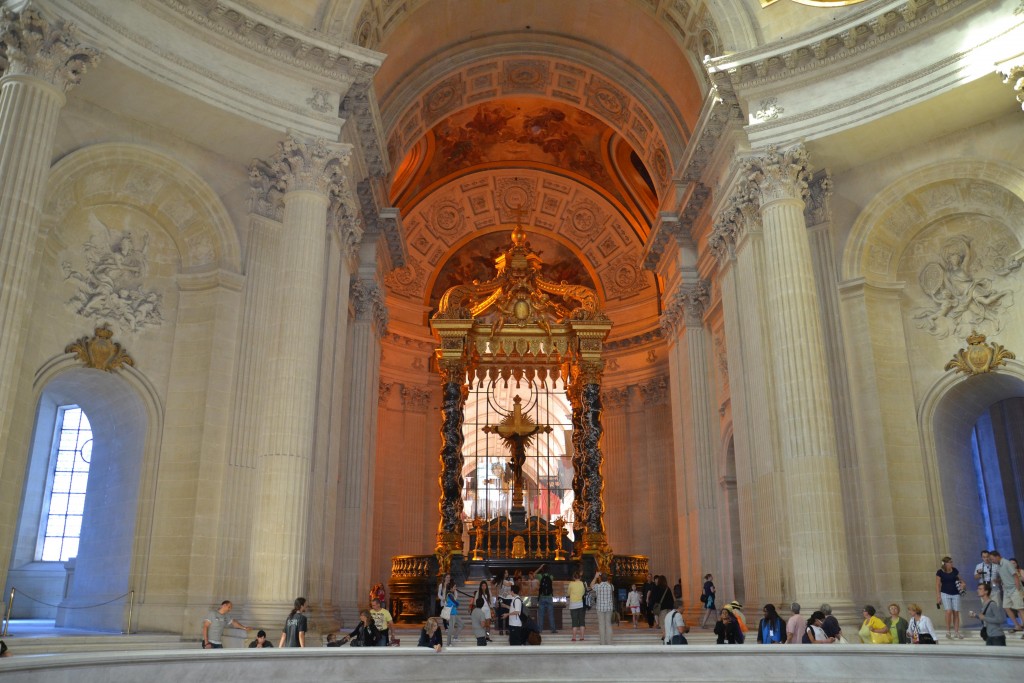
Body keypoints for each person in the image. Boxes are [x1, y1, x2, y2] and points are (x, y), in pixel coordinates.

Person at [991, 550, 1024, 632]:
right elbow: (1004, 577)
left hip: (1014, 589)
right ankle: (1017, 625)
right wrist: (997, 581)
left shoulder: (1006, 563)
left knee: (1020, 608)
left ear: (997, 556)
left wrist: (1018, 589)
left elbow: (1015, 576)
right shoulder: (998, 566)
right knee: (1006, 607)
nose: (992, 561)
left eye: (992, 559)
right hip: (1007, 590)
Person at [935, 555, 964, 639]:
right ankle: (948, 631)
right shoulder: (940, 572)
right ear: (945, 564)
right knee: (948, 611)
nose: (952, 563)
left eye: (952, 562)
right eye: (950, 562)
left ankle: (956, 632)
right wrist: (938, 596)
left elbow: (961, 580)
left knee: (956, 612)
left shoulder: (954, 570)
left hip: (955, 593)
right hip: (945, 593)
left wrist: (963, 584)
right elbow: (937, 585)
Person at [593, 572, 615, 645]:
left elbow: (590, 585)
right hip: (609, 608)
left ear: (600, 578)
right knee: (608, 624)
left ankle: (602, 642)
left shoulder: (598, 586)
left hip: (600, 608)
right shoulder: (611, 586)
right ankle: (609, 642)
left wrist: (596, 577)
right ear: (607, 578)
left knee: (601, 625)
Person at [536, 564, 557, 634]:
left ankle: (540, 629)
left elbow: (534, 574)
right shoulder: (551, 576)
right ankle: (553, 629)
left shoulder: (540, 576)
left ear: (542, 569)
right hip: (549, 597)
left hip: (542, 597)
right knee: (551, 614)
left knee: (541, 615)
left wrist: (539, 568)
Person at [567, 569, 587, 642]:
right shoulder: (582, 583)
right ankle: (582, 637)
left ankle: (574, 637)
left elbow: (568, 593)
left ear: (573, 577)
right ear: (580, 577)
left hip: (573, 605)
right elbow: (584, 592)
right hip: (581, 604)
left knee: (574, 622)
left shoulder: (571, 584)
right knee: (582, 621)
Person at [444, 579, 464, 646]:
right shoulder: (449, 594)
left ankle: (455, 637)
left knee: (461, 624)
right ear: (451, 587)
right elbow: (455, 603)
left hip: (454, 613)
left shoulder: (451, 594)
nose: (455, 588)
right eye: (454, 587)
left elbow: (455, 603)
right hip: (451, 614)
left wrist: (456, 604)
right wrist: (456, 603)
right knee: (451, 629)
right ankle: (448, 643)